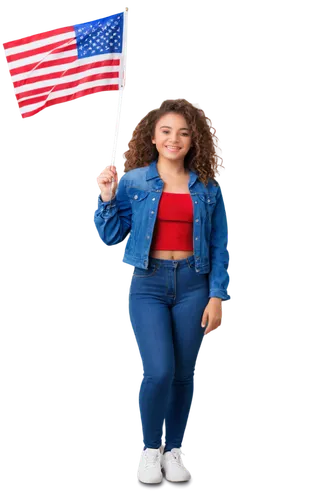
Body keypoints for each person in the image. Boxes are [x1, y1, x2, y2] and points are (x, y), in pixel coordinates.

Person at [90, 97, 232, 489]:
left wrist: (218, 296)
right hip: (147, 283)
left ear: (193, 140)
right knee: (159, 371)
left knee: (185, 374)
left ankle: (174, 451)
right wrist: (105, 197)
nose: (174, 139)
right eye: (166, 131)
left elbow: (221, 245)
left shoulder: (208, 188)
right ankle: (150, 449)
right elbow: (110, 236)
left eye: (184, 133)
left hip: (194, 284)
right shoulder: (133, 181)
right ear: (152, 136)